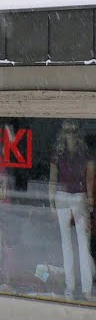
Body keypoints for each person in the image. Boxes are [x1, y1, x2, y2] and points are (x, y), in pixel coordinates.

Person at [48, 121, 95, 300]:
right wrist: (90, 202)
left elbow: (53, 179)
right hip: (76, 197)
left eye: (71, 131)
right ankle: (85, 290)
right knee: (82, 245)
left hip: (67, 197)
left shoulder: (58, 153)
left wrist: (51, 201)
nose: (70, 134)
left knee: (68, 244)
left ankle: (72, 288)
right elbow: (89, 179)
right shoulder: (85, 153)